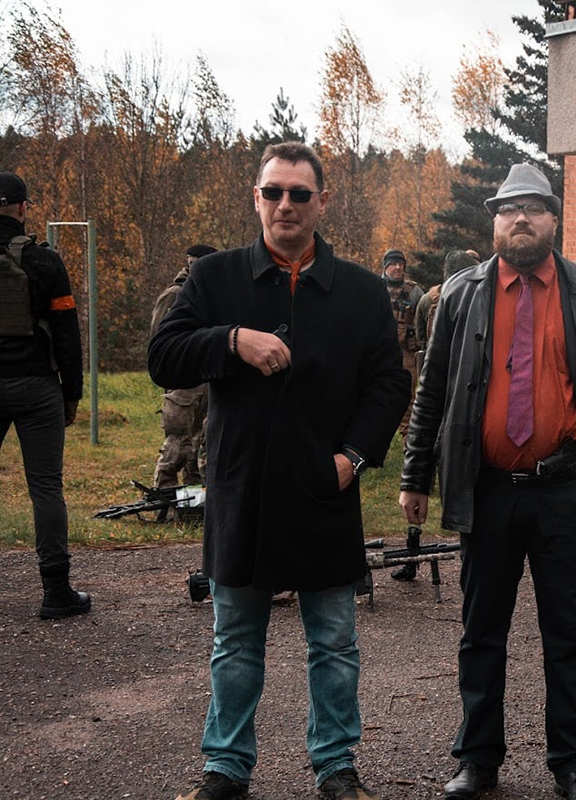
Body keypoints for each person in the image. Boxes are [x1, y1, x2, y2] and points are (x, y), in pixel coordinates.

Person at [149, 142, 410, 800]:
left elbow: (389, 385)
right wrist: (231, 339)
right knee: (236, 639)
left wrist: (353, 458)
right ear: (257, 198)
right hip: (243, 490)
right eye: (273, 192)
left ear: (322, 201)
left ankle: (336, 766)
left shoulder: (359, 290)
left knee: (335, 641)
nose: (285, 204)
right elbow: (163, 356)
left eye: (299, 193)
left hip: (325, 488)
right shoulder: (216, 280)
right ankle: (225, 768)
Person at [399, 163, 576, 800]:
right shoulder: (460, 295)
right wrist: (416, 473)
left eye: (534, 208)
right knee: (482, 631)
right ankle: (477, 759)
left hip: (566, 490)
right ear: (495, 222)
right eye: (509, 209)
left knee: (568, 636)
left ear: (553, 221)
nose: (520, 219)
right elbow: (431, 390)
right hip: (487, 491)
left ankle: (573, 765)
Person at [0, 170, 90, 620]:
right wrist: (71, 394)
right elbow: (67, 335)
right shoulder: (44, 262)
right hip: (37, 386)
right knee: (46, 488)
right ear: (22, 207)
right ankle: (56, 592)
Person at [393, 248, 480, 583]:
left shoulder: (428, 299)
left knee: (421, 462)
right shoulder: (474, 296)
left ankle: (413, 546)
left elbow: (420, 342)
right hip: (460, 391)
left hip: (431, 383)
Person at [150, 243, 217, 490]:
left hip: (207, 378)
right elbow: (159, 338)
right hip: (183, 380)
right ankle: (164, 495)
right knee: (178, 443)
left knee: (203, 442)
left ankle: (195, 498)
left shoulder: (212, 294)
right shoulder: (176, 294)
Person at [382, 248, 423, 434]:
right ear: (385, 267)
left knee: (408, 393)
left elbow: (424, 318)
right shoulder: (375, 288)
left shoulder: (414, 292)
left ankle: (408, 434)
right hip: (380, 350)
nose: (398, 268)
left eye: (401, 264)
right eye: (393, 264)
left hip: (407, 351)